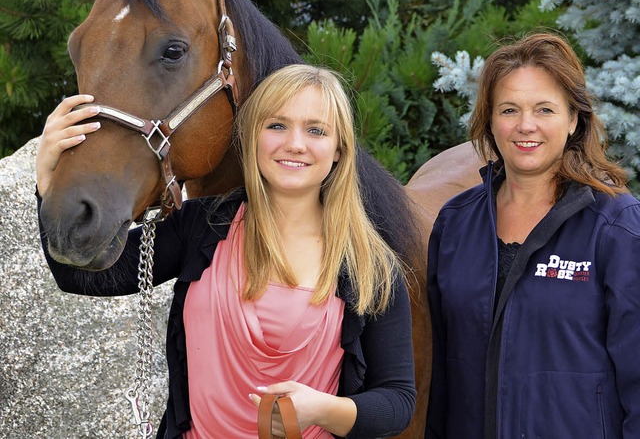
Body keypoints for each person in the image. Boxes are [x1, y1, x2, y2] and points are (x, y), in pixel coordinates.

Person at [36, 64, 417, 439]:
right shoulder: (201, 226)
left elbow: (397, 402)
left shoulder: (370, 266)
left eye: (316, 130)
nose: (295, 143)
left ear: (338, 151)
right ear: (253, 137)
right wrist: (48, 182)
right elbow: (79, 274)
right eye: (277, 125)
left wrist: (322, 410)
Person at [426, 33, 640, 438]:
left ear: (574, 119)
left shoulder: (616, 226)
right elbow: (442, 378)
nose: (526, 126)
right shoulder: (455, 223)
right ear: (489, 119)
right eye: (509, 109)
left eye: (544, 109)